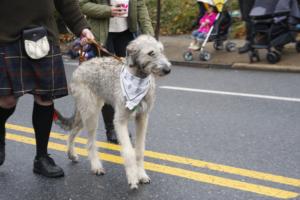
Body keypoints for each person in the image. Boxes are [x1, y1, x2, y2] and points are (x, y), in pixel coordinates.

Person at [0, 0, 94, 178]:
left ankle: (41, 157)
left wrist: (82, 28)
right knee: (7, 99)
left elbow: (65, 2)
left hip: (42, 37)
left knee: (45, 98)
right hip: (5, 38)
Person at [79, 0, 154, 144]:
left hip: (126, 34)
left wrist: (149, 37)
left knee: (127, 82)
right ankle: (111, 128)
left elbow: (140, 6)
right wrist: (108, 10)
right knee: (109, 83)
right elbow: (83, 5)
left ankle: (121, 123)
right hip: (102, 35)